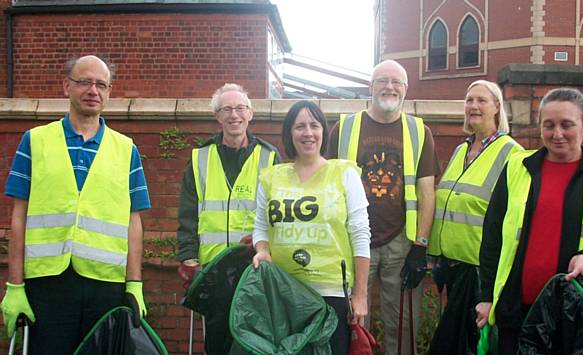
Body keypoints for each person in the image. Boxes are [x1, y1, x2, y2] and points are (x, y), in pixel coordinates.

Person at [1, 55, 151, 353]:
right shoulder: (34, 141)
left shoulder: (126, 149)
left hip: (106, 285)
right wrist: (14, 285)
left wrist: (135, 283)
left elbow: (134, 221)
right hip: (48, 282)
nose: (93, 90)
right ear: (66, 86)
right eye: (84, 82)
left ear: (109, 92)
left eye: (101, 84)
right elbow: (19, 217)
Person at [475, 87, 583, 354]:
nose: (557, 134)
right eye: (549, 125)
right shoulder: (517, 167)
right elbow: (492, 238)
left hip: (576, 316)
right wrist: (485, 297)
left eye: (567, 125)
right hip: (516, 311)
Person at [327, 59, 440, 354]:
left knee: (402, 326)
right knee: (349, 321)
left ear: (405, 89)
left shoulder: (419, 131)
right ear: (370, 86)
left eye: (396, 82)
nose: (389, 87)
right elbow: (325, 184)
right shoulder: (344, 128)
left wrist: (421, 247)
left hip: (401, 243)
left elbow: (428, 192)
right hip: (351, 241)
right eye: (382, 81)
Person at [252, 100, 371, 355]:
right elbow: (261, 227)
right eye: (300, 126)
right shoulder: (271, 177)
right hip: (284, 291)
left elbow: (360, 234)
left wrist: (360, 294)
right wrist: (262, 250)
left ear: (323, 131)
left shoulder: (345, 174)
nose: (308, 133)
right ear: (289, 133)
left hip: (331, 295)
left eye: (314, 125)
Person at [176, 83, 279, 353]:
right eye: (227, 109)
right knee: (218, 342)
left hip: (253, 268)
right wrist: (188, 258)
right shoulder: (200, 158)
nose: (235, 115)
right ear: (218, 117)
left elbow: (277, 217)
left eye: (241, 108)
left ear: (251, 113)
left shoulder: (269, 157)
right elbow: (187, 214)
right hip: (213, 269)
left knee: (253, 342)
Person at [427, 80, 523, 354]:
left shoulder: (511, 152)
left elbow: (512, 216)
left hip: (477, 269)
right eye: (469, 100)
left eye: (481, 100)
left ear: (496, 107)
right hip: (450, 266)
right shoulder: (461, 150)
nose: (473, 106)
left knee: (456, 345)